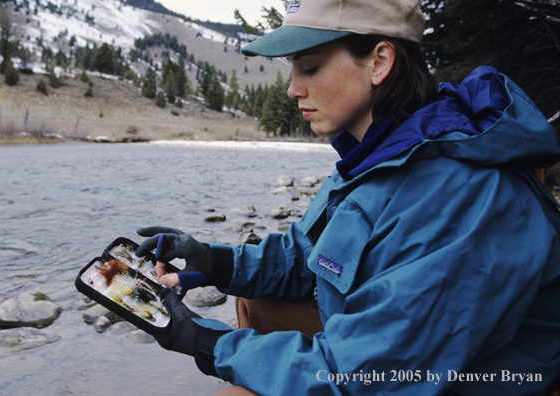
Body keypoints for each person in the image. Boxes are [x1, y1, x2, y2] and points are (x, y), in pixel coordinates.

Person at [135, 0, 560, 394]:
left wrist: (206, 342)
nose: (293, 89)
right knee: (254, 299)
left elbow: (366, 377)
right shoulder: (382, 152)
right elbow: (310, 252)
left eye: (311, 68)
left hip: (482, 380)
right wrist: (212, 261)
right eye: (293, 70)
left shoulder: (461, 191)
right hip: (404, 356)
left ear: (379, 62)